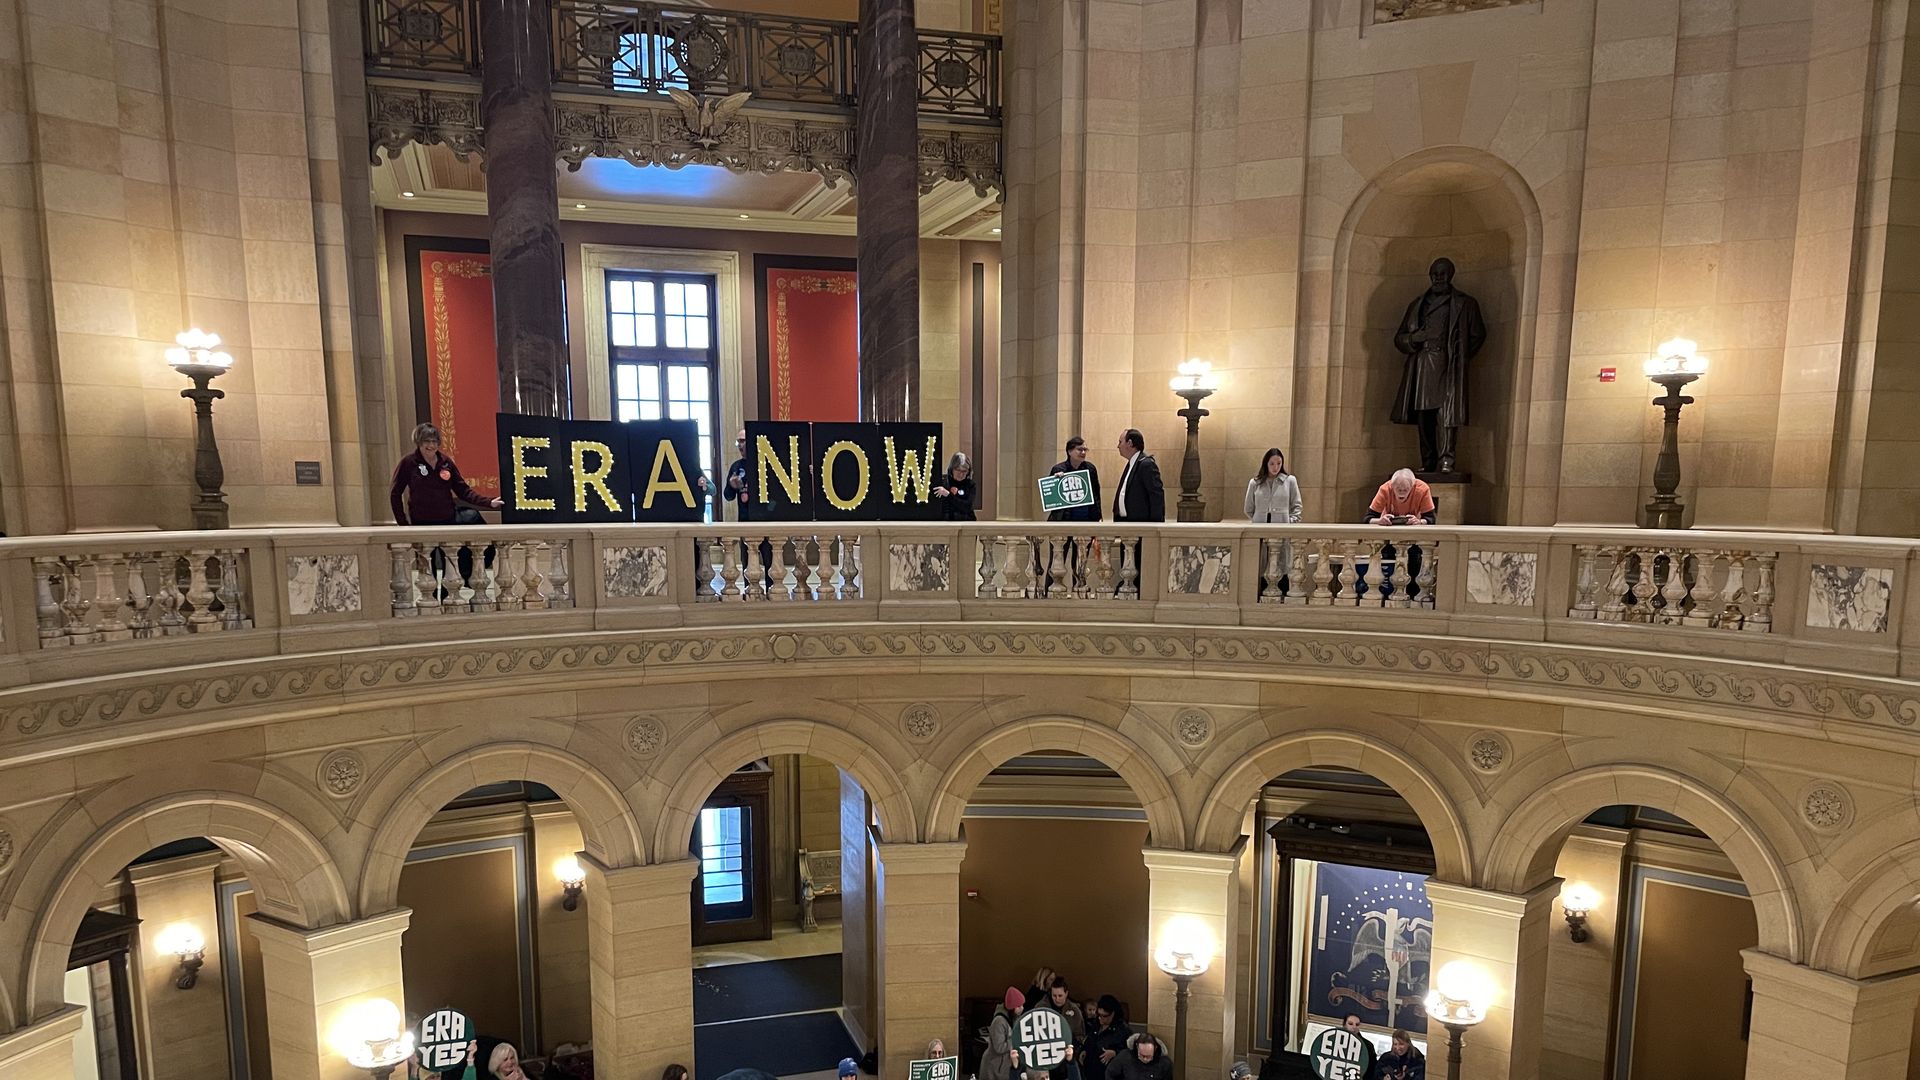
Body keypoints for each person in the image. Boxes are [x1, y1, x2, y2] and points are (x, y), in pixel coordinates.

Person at [1391, 256, 1485, 474]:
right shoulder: (1418, 305)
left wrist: (1459, 356)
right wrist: (1414, 338)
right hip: (1422, 365)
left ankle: (1446, 459)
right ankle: (1428, 460)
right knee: (1424, 416)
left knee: (1446, 414)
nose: (1438, 278)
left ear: (1450, 275)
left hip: (1448, 366)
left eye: (1442, 274)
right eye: (1434, 274)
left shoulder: (1465, 303)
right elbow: (1399, 338)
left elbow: (1477, 335)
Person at [390, 422, 502, 526]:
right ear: (419, 442)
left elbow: (463, 491)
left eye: (434, 441)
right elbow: (395, 493)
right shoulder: (408, 463)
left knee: (473, 516)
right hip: (422, 521)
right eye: (427, 441)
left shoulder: (445, 462)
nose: (431, 445)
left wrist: (489, 502)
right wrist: (402, 524)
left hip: (448, 518)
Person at [1112, 429, 1165, 523]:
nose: (1118, 446)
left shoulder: (1146, 464)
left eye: (1120, 442)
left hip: (1141, 524)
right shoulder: (1131, 464)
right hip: (1125, 522)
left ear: (1130, 443)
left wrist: (1155, 524)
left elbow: (1156, 496)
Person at [1048, 437, 1102, 522]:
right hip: (1065, 519)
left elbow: (1096, 494)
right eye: (1080, 450)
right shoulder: (1058, 469)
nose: (1083, 452)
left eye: (1085, 450)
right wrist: (1055, 481)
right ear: (1069, 451)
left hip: (1087, 518)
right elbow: (1051, 497)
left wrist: (1099, 516)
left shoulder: (1090, 468)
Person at [1245, 449, 1302, 524]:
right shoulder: (1255, 483)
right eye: (1272, 464)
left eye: (1279, 463)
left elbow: (1297, 506)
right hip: (1259, 526)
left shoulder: (1290, 481)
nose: (1275, 467)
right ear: (1266, 463)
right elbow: (1248, 508)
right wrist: (1257, 519)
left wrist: (1290, 522)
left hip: (1283, 527)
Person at [1080, 995, 1131, 1080]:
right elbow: (1090, 1039)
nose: (1100, 1018)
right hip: (1090, 1071)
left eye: (1104, 1016)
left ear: (1113, 1014)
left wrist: (1115, 1053)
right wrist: (1084, 1050)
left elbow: (1130, 1052)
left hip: (1108, 1074)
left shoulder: (1123, 1030)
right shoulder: (1096, 1023)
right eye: (1099, 1014)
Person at [1366, 469, 1435, 526]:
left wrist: (1419, 521)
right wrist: (1379, 521)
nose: (1402, 493)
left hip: (1413, 528)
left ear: (1412, 487)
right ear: (1392, 486)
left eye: (1405, 490)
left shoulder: (1422, 489)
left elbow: (1431, 519)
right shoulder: (1385, 489)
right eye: (1398, 489)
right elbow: (1368, 518)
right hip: (1389, 527)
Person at [983, 986, 1024, 1080]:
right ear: (1012, 1008)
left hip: (1005, 1065)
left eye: (1022, 1005)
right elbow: (999, 1047)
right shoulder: (999, 1021)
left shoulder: (1014, 1018)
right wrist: (1016, 1039)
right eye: (1019, 1006)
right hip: (995, 1067)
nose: (1022, 1008)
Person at [1105, 1033, 1171, 1080]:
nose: (1145, 1059)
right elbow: (1110, 1073)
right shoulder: (1124, 1057)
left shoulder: (1164, 1063)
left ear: (1155, 1048)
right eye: (1142, 1055)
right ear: (1137, 1047)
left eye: (1148, 1056)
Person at [933, 452, 978, 520]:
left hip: (966, 520)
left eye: (964, 471)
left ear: (968, 472)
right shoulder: (943, 482)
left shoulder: (970, 485)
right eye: (958, 470)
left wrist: (948, 495)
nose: (961, 474)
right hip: (946, 521)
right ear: (952, 469)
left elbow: (967, 506)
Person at [725, 430, 752, 520]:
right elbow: (728, 497)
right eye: (738, 442)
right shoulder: (736, 467)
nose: (740, 445)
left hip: (763, 519)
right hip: (744, 519)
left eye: (743, 441)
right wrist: (732, 486)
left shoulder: (761, 464)